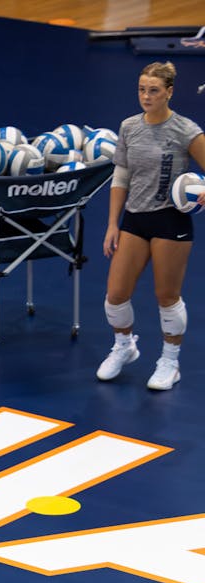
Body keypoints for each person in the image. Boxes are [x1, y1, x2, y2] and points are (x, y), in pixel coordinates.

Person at [98, 61, 205, 390]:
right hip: (135, 219)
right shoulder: (129, 127)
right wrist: (112, 224)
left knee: (167, 296)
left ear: (169, 93)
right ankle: (125, 347)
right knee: (115, 296)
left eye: (154, 90)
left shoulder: (187, 131)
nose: (146, 96)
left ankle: (170, 363)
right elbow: (121, 177)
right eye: (142, 89)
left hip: (171, 221)